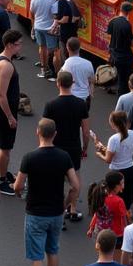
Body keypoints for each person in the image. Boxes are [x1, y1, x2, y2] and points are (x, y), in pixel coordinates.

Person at [14, 117, 79, 266]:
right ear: (55, 134)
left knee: (36, 257)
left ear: (37, 132)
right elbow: (75, 186)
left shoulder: (29, 157)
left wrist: (19, 193)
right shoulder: (64, 157)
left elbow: (18, 185)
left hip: (36, 213)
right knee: (52, 252)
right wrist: (66, 204)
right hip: (56, 213)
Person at [44, 69, 90, 222]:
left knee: (56, 180)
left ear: (58, 83)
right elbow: (85, 130)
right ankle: (72, 208)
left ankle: (57, 210)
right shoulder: (80, 104)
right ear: (73, 84)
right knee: (75, 180)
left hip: (55, 148)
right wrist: (85, 148)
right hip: (73, 147)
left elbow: (44, 129)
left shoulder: (50, 105)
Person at [0, 28, 22, 196]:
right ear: (9, 45)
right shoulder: (6, 66)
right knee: (5, 148)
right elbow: (1, 95)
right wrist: (10, 117)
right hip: (1, 111)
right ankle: (0, 180)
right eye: (18, 44)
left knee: (2, 144)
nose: (20, 47)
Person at [95, 109, 133, 208]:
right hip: (130, 168)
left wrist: (99, 154)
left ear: (113, 124)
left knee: (116, 197)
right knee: (127, 195)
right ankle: (127, 214)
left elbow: (108, 160)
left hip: (117, 172)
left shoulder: (114, 139)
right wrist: (105, 149)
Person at [30, 0, 58, 79]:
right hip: (50, 28)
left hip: (38, 27)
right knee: (54, 50)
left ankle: (43, 69)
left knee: (42, 47)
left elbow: (32, 14)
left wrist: (33, 27)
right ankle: (54, 71)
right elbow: (56, 14)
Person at [107, 0, 133, 95]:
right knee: (125, 79)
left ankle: (120, 94)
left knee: (120, 76)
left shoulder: (113, 21)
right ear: (128, 12)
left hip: (115, 55)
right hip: (125, 56)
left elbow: (109, 37)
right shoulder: (127, 25)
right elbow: (132, 43)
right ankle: (123, 96)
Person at [64, 36, 95, 108]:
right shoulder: (88, 63)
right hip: (85, 97)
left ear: (67, 48)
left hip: (71, 97)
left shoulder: (67, 64)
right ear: (79, 48)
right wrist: (91, 93)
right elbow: (92, 81)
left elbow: (61, 82)